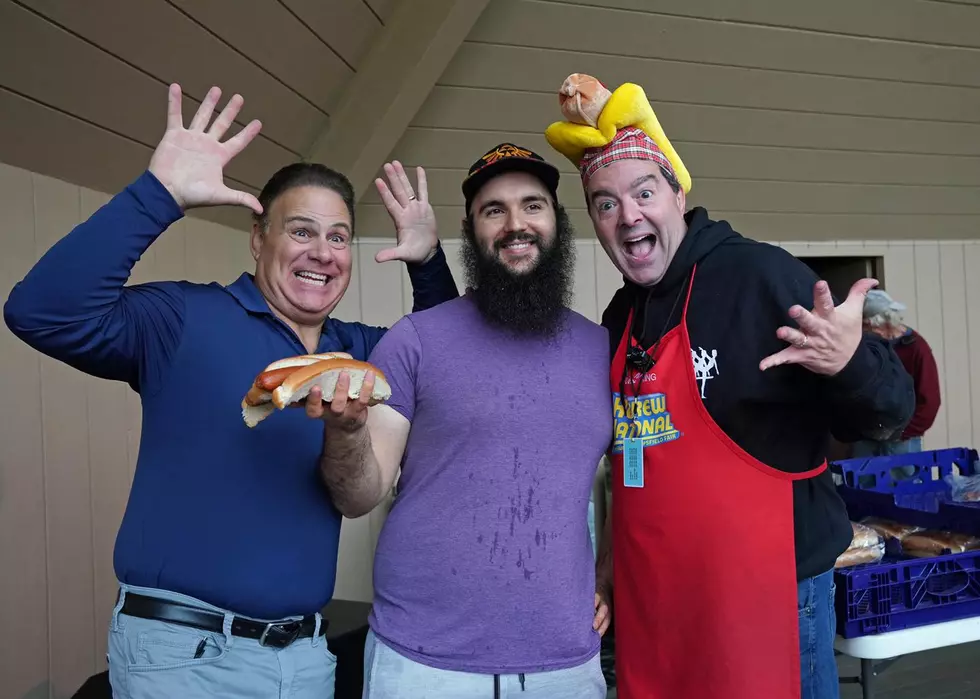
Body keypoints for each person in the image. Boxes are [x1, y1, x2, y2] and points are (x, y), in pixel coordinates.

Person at [3, 84, 459, 699]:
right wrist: (156, 196)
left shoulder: (361, 350)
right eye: (301, 231)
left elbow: (454, 362)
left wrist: (428, 262)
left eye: (338, 237)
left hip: (304, 659)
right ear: (258, 236)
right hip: (183, 657)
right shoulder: (183, 319)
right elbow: (41, 313)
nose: (321, 254)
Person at [543, 74, 915, 699]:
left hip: (769, 603)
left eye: (643, 192)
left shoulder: (758, 277)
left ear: (676, 191)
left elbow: (892, 413)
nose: (628, 215)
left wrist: (851, 361)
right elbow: (627, 465)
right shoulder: (620, 318)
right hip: (657, 603)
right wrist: (607, 565)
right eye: (605, 203)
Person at [305, 143, 613, 698]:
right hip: (422, 664)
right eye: (493, 210)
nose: (515, 224)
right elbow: (359, 495)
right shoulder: (415, 339)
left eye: (532, 205)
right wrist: (346, 431)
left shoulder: (602, 352)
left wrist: (613, 572)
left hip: (564, 665)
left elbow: (642, 480)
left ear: (558, 223)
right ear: (471, 232)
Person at [852, 289, 941, 456]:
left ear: (877, 323)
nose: (862, 330)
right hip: (866, 437)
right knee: (861, 482)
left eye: (864, 325)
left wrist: (903, 432)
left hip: (901, 441)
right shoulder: (866, 345)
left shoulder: (916, 348)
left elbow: (929, 400)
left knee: (903, 482)